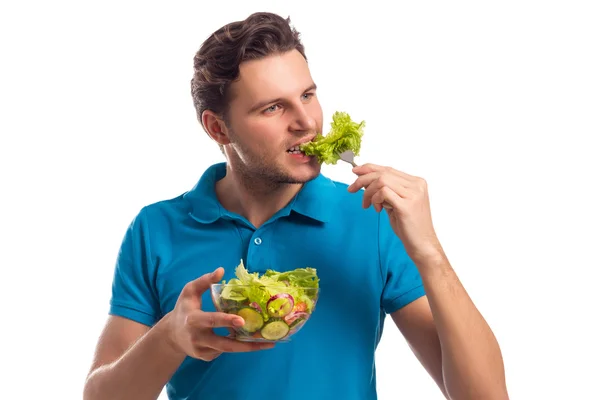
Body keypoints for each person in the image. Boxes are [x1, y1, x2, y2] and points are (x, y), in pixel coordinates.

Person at [83, 11, 509, 400]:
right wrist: (168, 339)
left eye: (307, 95)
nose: (305, 122)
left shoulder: (372, 219)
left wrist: (430, 253)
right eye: (273, 108)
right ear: (217, 128)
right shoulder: (156, 229)